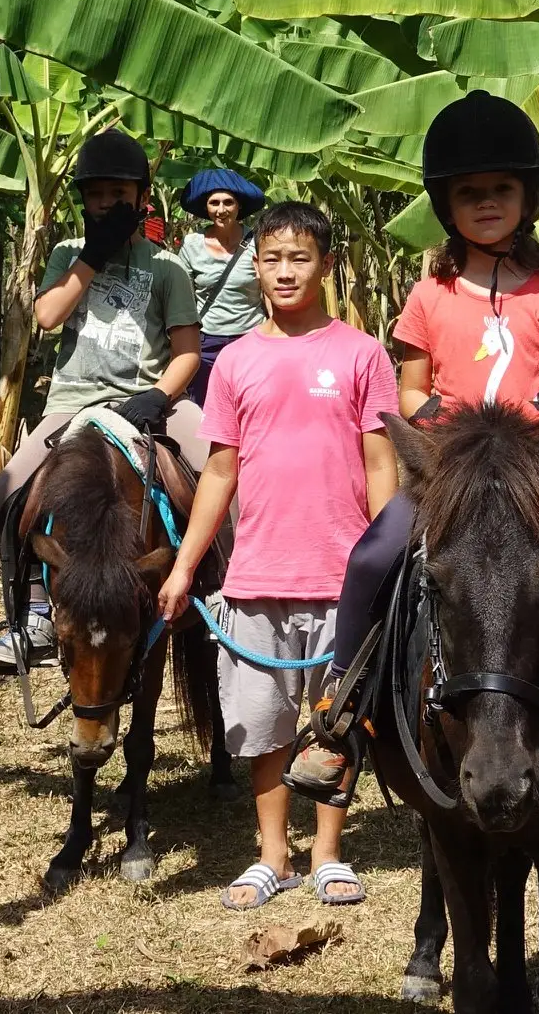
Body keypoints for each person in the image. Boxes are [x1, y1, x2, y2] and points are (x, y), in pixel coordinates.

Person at [292, 90, 539, 814]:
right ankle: (340, 715)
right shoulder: (429, 296)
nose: (485, 203)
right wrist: (448, 423)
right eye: (469, 193)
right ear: (447, 206)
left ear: (527, 199)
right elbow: (411, 390)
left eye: (501, 190)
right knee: (371, 559)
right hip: (450, 476)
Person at [158, 202, 400, 910]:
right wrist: (183, 566)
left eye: (300, 258)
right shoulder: (235, 361)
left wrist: (388, 560)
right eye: (271, 259)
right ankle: (272, 855)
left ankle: (327, 852)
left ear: (327, 265)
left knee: (336, 721)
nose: (285, 271)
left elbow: (380, 464)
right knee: (263, 725)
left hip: (342, 576)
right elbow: (220, 471)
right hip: (257, 574)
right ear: (255, 268)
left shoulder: (361, 354)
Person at [0, 129, 203, 673]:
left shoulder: (167, 266)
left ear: (142, 197)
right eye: (96, 195)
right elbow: (48, 316)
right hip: (73, 402)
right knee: (5, 495)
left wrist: (158, 395)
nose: (107, 204)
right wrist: (92, 256)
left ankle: (220, 594)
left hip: (150, 402)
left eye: (119, 194)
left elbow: (188, 352)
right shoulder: (65, 254)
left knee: (220, 473)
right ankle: (32, 616)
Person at [178, 168, 268, 406]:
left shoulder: (258, 243)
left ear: (239, 206)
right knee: (204, 406)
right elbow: (182, 297)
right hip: (206, 341)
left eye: (228, 202)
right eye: (214, 203)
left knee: (250, 404)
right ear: (206, 207)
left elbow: (269, 292)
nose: (221, 209)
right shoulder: (191, 245)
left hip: (249, 338)